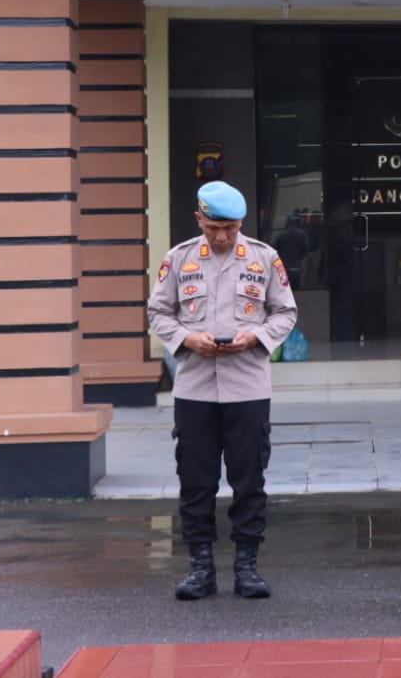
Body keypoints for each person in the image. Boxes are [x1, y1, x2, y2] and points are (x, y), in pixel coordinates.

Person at [148, 180, 297, 601]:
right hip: (194, 387)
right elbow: (158, 312)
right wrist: (185, 340)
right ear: (199, 220)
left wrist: (257, 337)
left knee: (249, 479)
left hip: (247, 385)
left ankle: (247, 567)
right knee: (196, 480)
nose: (222, 236)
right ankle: (200, 569)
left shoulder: (264, 259)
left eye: (230, 228)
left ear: (241, 223)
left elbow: (285, 311)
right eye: (214, 227)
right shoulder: (178, 260)